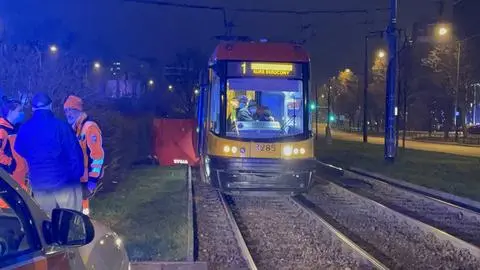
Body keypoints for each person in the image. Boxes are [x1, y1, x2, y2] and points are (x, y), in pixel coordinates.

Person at [14, 92, 84, 214]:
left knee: (46, 222)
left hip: (40, 185)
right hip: (65, 184)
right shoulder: (61, 126)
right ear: (50, 106)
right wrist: (76, 177)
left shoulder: (24, 129)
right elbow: (75, 154)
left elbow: (19, 149)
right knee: (71, 221)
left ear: (33, 108)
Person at [64, 95, 104, 214]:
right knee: (78, 210)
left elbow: (97, 156)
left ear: (78, 110)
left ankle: (84, 223)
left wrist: (93, 179)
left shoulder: (89, 127)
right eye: (66, 111)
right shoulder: (76, 129)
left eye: (71, 110)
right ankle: (82, 222)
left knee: (81, 210)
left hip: (86, 179)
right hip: (77, 178)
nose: (68, 114)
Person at [0, 96, 29, 209]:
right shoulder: (2, 130)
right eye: (19, 111)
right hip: (9, 181)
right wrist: (10, 164)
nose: (21, 114)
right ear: (11, 112)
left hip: (18, 181)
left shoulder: (14, 129)